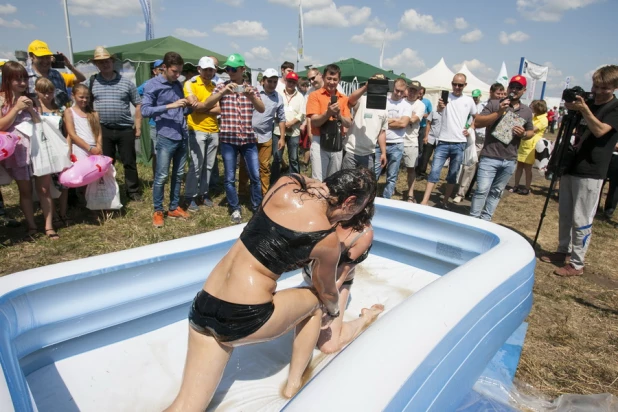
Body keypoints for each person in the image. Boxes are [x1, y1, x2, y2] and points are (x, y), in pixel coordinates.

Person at [164, 168, 377, 411]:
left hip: (203, 304)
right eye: (360, 207)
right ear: (350, 202)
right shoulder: (326, 240)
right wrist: (333, 311)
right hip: (244, 316)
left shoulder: (284, 187)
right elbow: (326, 291)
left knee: (185, 406)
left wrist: (313, 183)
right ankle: (294, 384)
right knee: (315, 304)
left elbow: (296, 175)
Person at [540, 65, 618, 276]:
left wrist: (584, 110)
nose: (598, 91)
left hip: (592, 169)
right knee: (565, 213)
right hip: (571, 164)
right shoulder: (590, 102)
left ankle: (577, 263)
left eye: (604, 88)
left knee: (581, 217)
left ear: (614, 87)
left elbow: (601, 131)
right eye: (596, 86)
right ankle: (562, 250)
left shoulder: (614, 108)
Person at [302, 203, 384, 354]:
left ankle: (366, 317)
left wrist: (329, 308)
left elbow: (339, 277)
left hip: (337, 284)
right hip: (311, 277)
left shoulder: (364, 233)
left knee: (328, 347)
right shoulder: (327, 213)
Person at [204, 53, 265, 224]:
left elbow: (261, 109)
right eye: (227, 68)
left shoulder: (251, 89)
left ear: (242, 70)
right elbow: (208, 104)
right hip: (228, 139)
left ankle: (256, 207)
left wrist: (251, 96)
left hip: (248, 139)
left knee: (255, 175)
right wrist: (223, 92)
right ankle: (235, 208)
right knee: (230, 177)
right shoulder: (221, 87)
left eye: (233, 69)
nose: (229, 72)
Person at [470, 75, 534, 221]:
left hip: (509, 159)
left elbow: (531, 131)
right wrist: (498, 112)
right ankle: (473, 220)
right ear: (508, 88)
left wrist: (524, 133)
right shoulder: (494, 103)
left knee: (497, 191)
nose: (514, 90)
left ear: (524, 90)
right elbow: (478, 122)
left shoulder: (526, 111)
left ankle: (486, 220)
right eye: (512, 86)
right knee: (481, 190)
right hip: (490, 156)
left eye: (518, 88)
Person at [141, 52, 193, 228]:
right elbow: (145, 111)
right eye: (174, 71)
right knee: (162, 175)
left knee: (178, 174)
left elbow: (181, 111)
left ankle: (173, 207)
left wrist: (189, 106)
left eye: (179, 71)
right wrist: (169, 106)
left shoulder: (178, 84)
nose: (177, 75)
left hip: (181, 134)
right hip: (165, 135)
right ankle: (158, 210)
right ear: (164, 67)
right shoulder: (152, 85)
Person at [85, 46, 142, 202]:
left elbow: (138, 104)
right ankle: (108, 191)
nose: (105, 64)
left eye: (107, 61)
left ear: (112, 61)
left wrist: (138, 126)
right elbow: (84, 102)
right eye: (100, 62)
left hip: (125, 129)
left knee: (129, 162)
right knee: (105, 163)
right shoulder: (92, 82)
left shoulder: (127, 83)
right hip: (103, 129)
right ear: (96, 65)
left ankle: (133, 191)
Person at [420, 73, 477, 209]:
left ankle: (445, 201)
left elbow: (476, 117)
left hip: (459, 142)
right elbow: (438, 111)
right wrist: (440, 107)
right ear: (451, 84)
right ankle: (424, 200)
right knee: (434, 171)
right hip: (443, 141)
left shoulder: (469, 101)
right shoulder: (445, 98)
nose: (457, 87)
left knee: (452, 174)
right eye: (455, 84)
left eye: (460, 85)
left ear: (465, 85)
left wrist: (470, 128)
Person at [0, 62, 42, 241]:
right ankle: (31, 225)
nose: (23, 82)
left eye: (24, 78)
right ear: (8, 80)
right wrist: (16, 109)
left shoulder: (30, 98)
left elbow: (39, 123)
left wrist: (32, 110)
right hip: (15, 152)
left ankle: (48, 220)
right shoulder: (2, 100)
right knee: (24, 189)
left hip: (34, 149)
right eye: (18, 79)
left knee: (39, 188)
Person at [239, 68, 285, 197]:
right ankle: (242, 191)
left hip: (266, 136)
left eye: (275, 81)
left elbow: (281, 118)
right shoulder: (253, 92)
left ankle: (264, 194)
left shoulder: (278, 98)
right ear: (263, 81)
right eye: (269, 81)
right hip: (249, 135)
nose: (272, 84)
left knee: (264, 167)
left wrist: (282, 137)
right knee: (245, 165)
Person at [33, 78, 71, 232]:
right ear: (37, 92)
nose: (47, 95)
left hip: (60, 150)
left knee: (64, 184)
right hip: (43, 151)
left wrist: (68, 149)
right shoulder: (34, 110)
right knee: (46, 187)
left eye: (50, 92)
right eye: (44, 92)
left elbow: (67, 131)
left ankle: (63, 213)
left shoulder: (60, 109)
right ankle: (53, 215)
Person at [183, 57, 221, 211]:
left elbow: (220, 109)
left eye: (211, 69)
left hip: (213, 129)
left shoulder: (215, 86)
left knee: (209, 165)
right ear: (199, 69)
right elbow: (193, 105)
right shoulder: (190, 84)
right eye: (205, 69)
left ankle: (204, 193)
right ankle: (190, 195)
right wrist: (202, 107)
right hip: (196, 129)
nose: (208, 72)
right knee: (196, 165)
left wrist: (202, 107)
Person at [306, 64, 352, 181]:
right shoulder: (314, 96)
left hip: (336, 140)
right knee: (318, 180)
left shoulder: (343, 98)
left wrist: (339, 115)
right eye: (329, 78)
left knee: (333, 180)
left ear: (339, 80)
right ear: (323, 77)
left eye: (335, 79)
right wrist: (328, 113)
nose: (332, 82)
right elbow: (315, 122)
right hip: (319, 139)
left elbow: (348, 123)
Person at [341, 74, 387, 171]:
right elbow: (351, 99)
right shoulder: (362, 99)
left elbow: (382, 132)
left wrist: (383, 153)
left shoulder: (385, 107)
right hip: (351, 150)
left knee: (365, 183)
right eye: (375, 83)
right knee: (348, 181)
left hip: (369, 152)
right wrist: (366, 87)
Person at [375, 78, 411, 199]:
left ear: (405, 90)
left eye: (401, 91)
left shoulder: (406, 105)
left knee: (392, 176)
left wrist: (386, 122)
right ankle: (370, 198)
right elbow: (377, 121)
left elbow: (403, 124)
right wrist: (395, 120)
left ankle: (387, 199)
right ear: (393, 88)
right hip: (380, 143)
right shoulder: (384, 101)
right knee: (374, 173)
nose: (398, 93)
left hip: (397, 144)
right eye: (397, 90)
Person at [27, 39, 85, 107]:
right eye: (41, 57)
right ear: (31, 56)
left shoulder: (57, 75)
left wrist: (69, 66)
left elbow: (81, 79)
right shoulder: (23, 75)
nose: (45, 61)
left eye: (47, 57)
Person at [453, 89, 487, 203]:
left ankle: (466, 192)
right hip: (472, 138)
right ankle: (461, 192)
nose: (475, 98)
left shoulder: (484, 106)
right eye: (474, 96)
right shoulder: (468, 105)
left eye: (476, 97)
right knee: (468, 165)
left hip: (484, 140)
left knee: (476, 168)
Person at [272, 71, 305, 181]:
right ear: (286, 81)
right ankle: (274, 181)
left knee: (294, 158)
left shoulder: (300, 97)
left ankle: (294, 181)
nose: (291, 84)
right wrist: (283, 123)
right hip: (278, 130)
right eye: (289, 81)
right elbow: (273, 110)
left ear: (296, 83)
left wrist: (291, 123)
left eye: (293, 82)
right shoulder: (278, 93)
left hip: (293, 131)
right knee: (277, 157)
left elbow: (302, 114)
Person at [512, 100, 548, 195]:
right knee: (519, 166)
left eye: (532, 106)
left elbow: (532, 129)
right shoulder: (534, 116)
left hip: (532, 146)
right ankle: (516, 185)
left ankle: (527, 188)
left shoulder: (543, 119)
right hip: (523, 143)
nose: (530, 108)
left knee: (528, 168)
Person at [137, 59, 164, 178]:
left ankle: (164, 176)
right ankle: (156, 177)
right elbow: (135, 93)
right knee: (157, 153)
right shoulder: (148, 84)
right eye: (160, 69)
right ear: (154, 71)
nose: (162, 71)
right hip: (155, 123)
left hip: (169, 124)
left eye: (164, 68)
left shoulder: (171, 83)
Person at [402, 80, 426, 202]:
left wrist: (402, 119)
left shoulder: (420, 105)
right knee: (391, 168)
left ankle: (410, 194)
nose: (412, 92)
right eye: (410, 89)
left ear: (419, 93)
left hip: (411, 141)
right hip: (397, 139)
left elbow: (413, 120)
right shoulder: (401, 101)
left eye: (414, 91)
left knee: (411, 168)